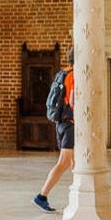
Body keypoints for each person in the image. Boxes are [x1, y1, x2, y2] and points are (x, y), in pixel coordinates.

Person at [34, 64, 76, 212]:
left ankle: (80, 194)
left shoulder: (64, 72)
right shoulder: (74, 75)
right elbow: (72, 102)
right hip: (70, 124)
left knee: (74, 161)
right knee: (64, 163)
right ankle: (42, 196)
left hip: (60, 122)